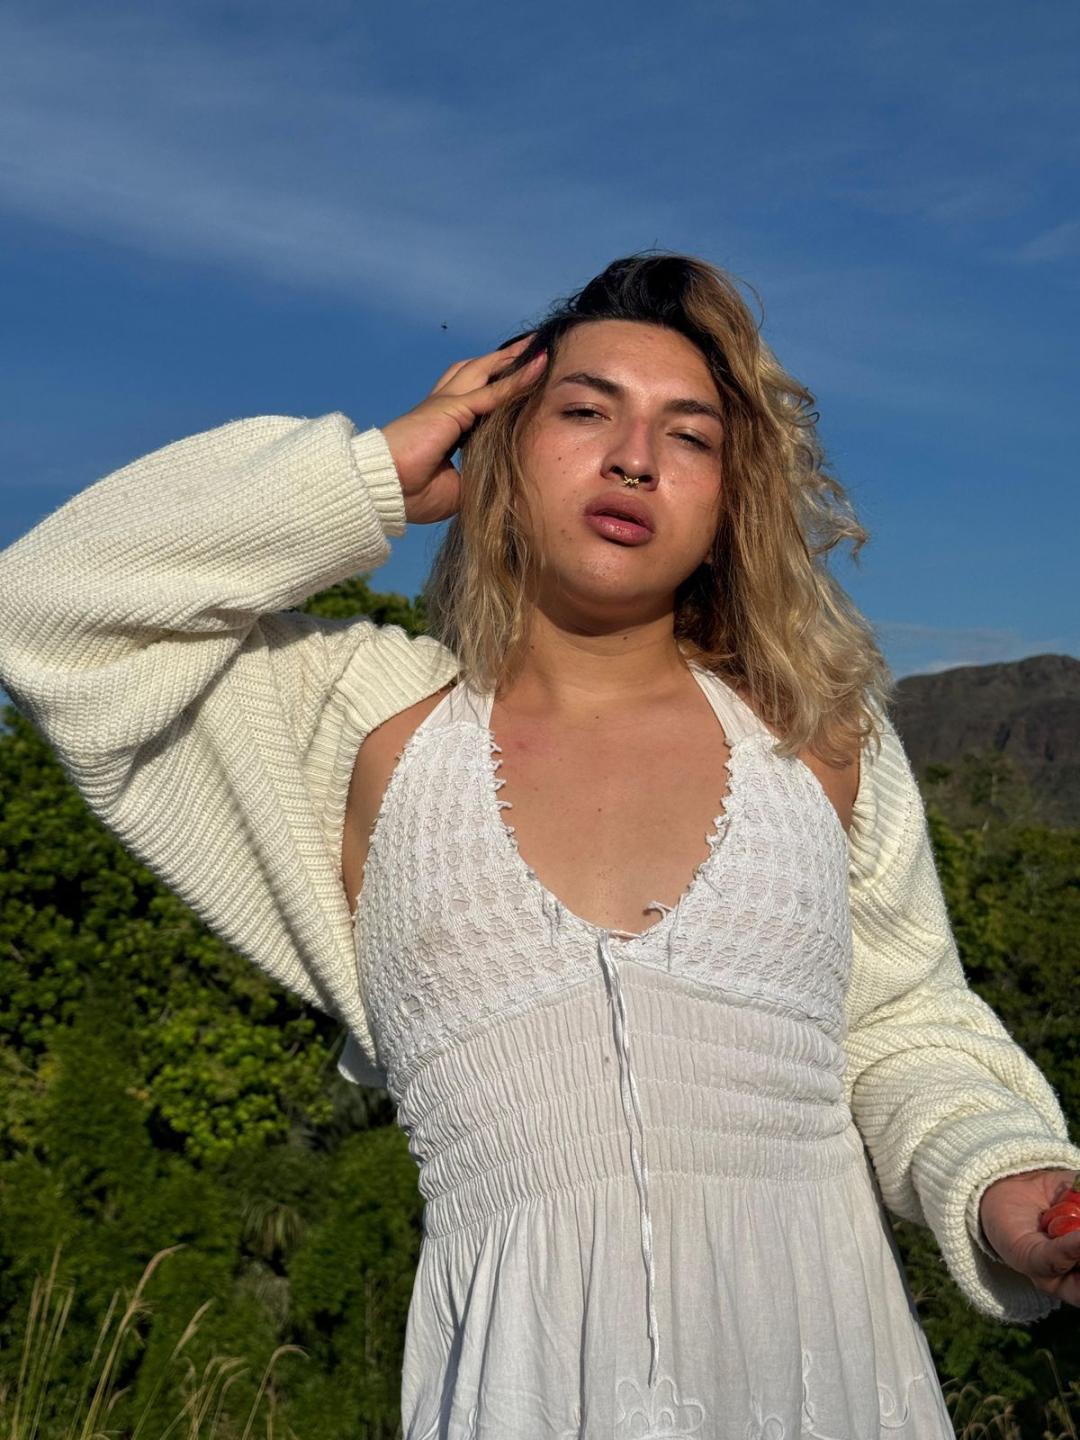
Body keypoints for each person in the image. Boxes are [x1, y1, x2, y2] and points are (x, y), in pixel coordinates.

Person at [1, 251, 1078, 1439]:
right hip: (518, 1390)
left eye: (691, 436)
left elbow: (903, 1029)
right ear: (500, 449)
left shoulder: (816, 735)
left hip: (826, 1383)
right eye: (583, 412)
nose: (635, 458)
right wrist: (371, 475)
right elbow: (42, 610)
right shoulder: (362, 731)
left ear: (731, 501)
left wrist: (1008, 1180)